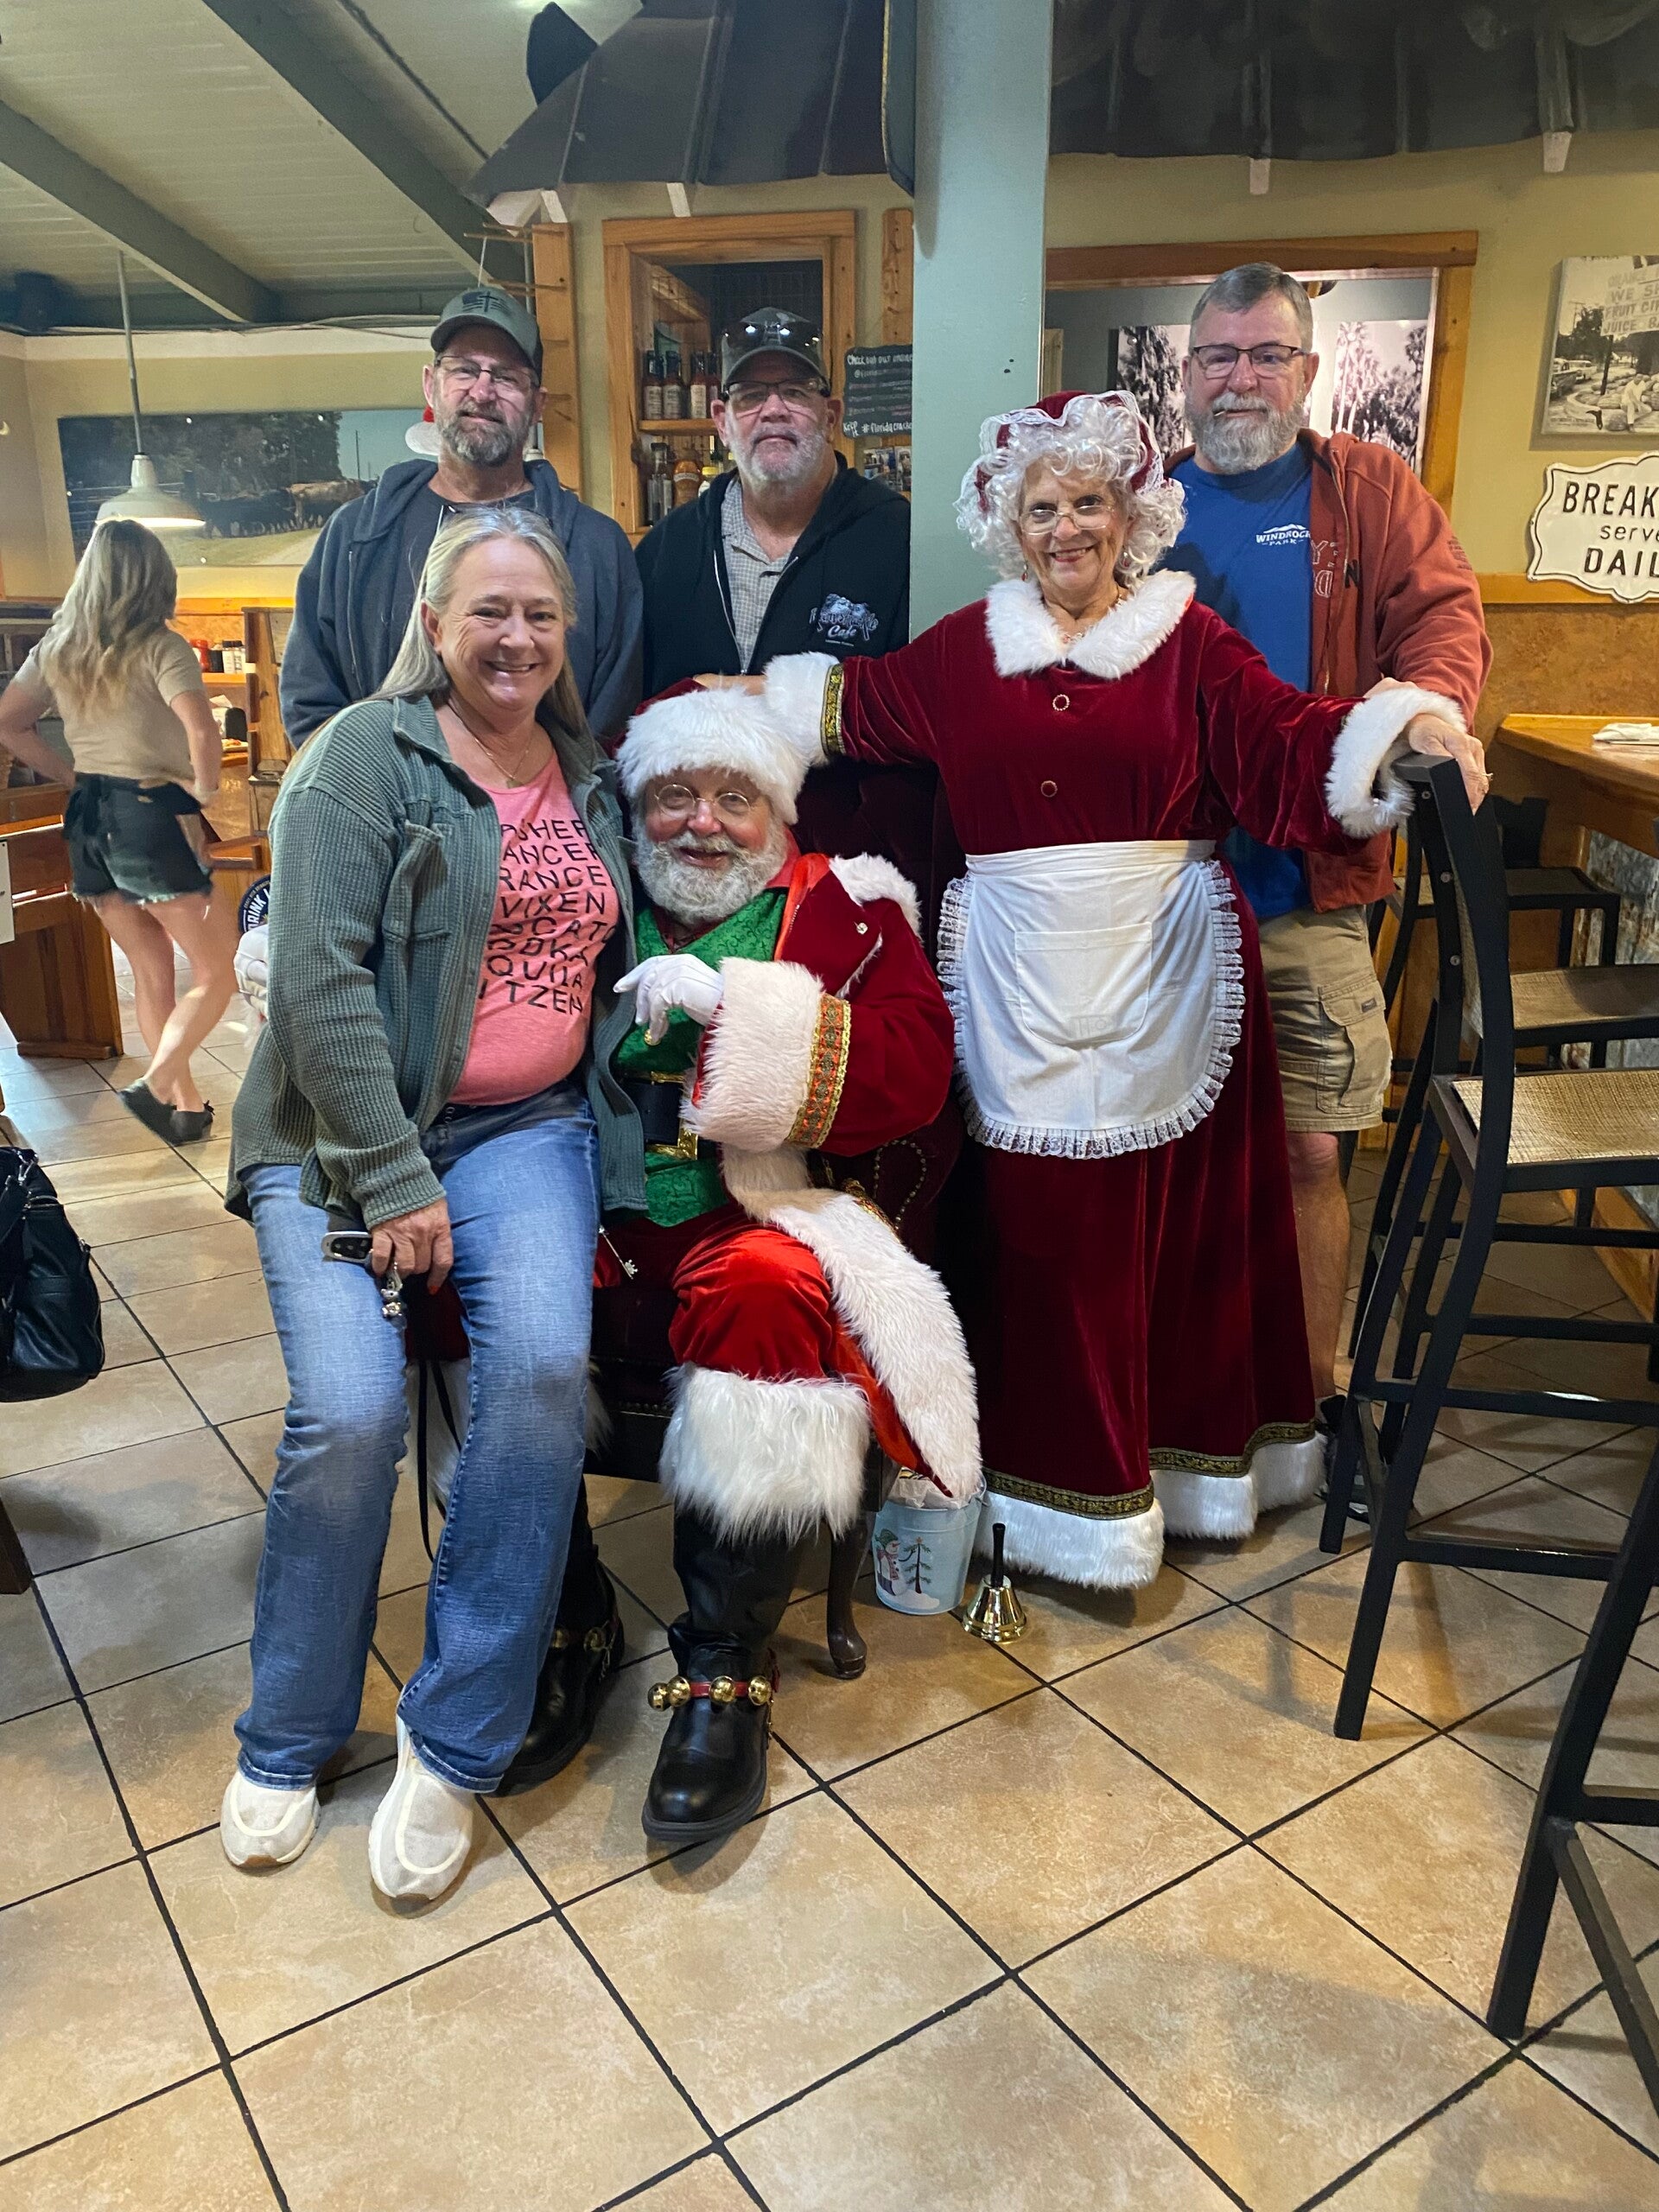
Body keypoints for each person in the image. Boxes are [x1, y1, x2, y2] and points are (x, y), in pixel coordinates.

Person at [748, 390, 1488, 1589]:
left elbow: (1293, 745)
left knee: (1168, 1239)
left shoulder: (1194, 643)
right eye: (1044, 508)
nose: (1067, 528)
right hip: (1011, 984)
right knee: (1029, 1238)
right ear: (1012, 523)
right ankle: (1033, 1483)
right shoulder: (963, 648)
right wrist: (696, 719)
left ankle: (1173, 1474)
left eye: (1089, 502)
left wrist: (1402, 733)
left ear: (1129, 513)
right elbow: (844, 708)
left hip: (1164, 978)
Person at [220, 505, 644, 1900]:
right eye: (489, 611)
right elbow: (316, 981)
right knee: (351, 1411)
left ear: (568, 634)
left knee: (541, 1376)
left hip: (526, 1130)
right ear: (433, 623)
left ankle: (456, 1737)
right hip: (338, 1135)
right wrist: (395, 1174)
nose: (516, 637)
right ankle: (289, 1733)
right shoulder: (361, 758)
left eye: (541, 615)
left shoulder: (589, 777)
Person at [603, 684, 979, 1842]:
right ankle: (554, 1615)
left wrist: (744, 1011)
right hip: (585, 1209)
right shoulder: (587, 890)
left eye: (736, 798)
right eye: (675, 795)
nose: (703, 822)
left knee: (769, 1289)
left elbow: (916, 1072)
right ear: (636, 806)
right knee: (484, 1274)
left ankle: (726, 1667)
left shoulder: (848, 908)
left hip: (759, 1211)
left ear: (778, 814)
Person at [1163, 264, 1491, 1441]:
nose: (1241, 378)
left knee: (1310, 1148)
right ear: (1186, 374)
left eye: (1267, 355)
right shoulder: (1139, 501)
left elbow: (1442, 617)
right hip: (1160, 890)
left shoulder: (1365, 489)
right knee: (1167, 1154)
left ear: (1306, 371)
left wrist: (1429, 711)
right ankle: (1178, 1388)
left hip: (1308, 883)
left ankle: (1306, 1398)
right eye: (1219, 356)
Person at [635, 308, 932, 901]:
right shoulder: (667, 549)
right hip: (693, 878)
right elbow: (635, 713)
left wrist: (728, 688)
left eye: (795, 391)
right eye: (750, 395)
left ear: (831, 415)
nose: (773, 409)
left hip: (838, 880)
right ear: (722, 420)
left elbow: (914, 712)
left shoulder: (896, 539)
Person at [282, 285, 642, 746]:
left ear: (537, 405)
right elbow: (311, 702)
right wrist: (369, 784)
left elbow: (612, 722)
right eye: (464, 370)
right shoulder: (355, 537)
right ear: (431, 386)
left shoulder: (596, 547)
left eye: (507, 377)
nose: (483, 391)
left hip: (543, 793)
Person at [0, 519, 237, 1142]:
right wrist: (205, 791)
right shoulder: (161, 647)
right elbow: (201, 729)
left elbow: (8, 722)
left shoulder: (58, 648)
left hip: (89, 816)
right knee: (218, 970)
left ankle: (185, 1108)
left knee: (152, 970)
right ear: (158, 579)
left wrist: (70, 775)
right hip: (151, 813)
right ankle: (158, 1086)